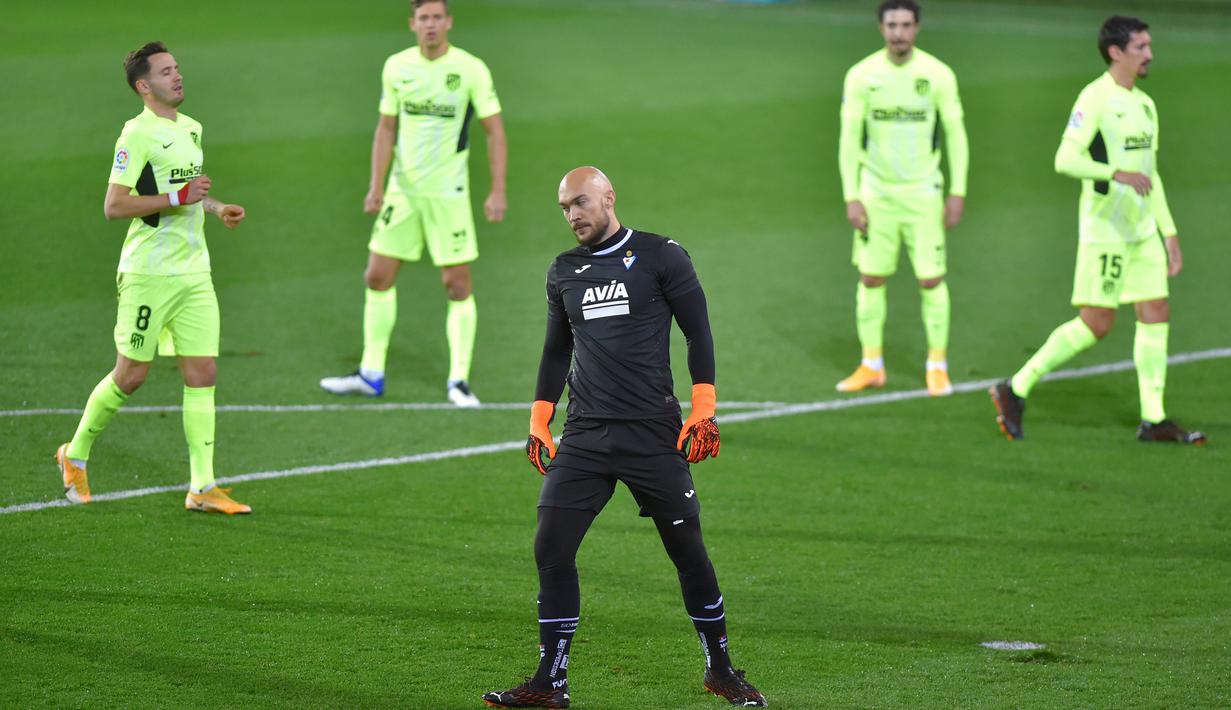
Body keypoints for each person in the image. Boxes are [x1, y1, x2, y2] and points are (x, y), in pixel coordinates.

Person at [481, 168, 766, 709]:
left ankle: (721, 669)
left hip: (652, 432)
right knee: (551, 545)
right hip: (586, 433)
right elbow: (554, 351)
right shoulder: (563, 271)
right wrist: (540, 419)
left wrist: (703, 408)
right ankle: (550, 682)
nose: (573, 215)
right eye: (564, 207)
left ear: (609, 198)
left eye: (581, 202)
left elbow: (698, 331)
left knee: (688, 553)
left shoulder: (662, 256)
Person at [54, 41, 251, 514]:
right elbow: (115, 206)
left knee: (203, 372)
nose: (178, 76)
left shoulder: (192, 129)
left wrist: (215, 205)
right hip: (148, 273)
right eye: (166, 71)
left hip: (194, 272)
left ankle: (202, 487)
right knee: (132, 375)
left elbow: (185, 192)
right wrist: (181, 198)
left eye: (178, 68)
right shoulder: (135, 135)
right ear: (144, 86)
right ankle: (74, 454)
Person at [990, 16, 1206, 445]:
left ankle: (1154, 419)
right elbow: (1065, 159)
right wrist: (1115, 173)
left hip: (1142, 230)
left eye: (1149, 45)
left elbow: (1151, 173)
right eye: (1141, 47)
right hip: (1105, 230)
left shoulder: (1145, 104)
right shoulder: (1095, 98)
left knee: (1156, 311)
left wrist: (1169, 231)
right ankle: (1014, 388)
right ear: (1116, 52)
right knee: (1096, 323)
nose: (1150, 54)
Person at [320, 0, 507, 407]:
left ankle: (459, 380)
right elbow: (386, 128)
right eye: (424, 19)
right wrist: (376, 185)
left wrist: (497, 189)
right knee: (377, 276)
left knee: (456, 284)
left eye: (438, 17)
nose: (431, 25)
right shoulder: (397, 67)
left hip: (449, 194)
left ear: (448, 22)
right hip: (402, 192)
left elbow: (494, 130)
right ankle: (371, 373)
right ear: (413, 24)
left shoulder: (470, 69)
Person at [836, 0, 968, 397]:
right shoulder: (862, 75)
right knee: (871, 277)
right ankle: (871, 364)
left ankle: (937, 365)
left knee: (931, 279)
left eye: (906, 25)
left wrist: (957, 191)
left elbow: (956, 135)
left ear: (917, 28)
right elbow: (847, 139)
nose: (899, 32)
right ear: (880, 28)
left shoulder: (938, 74)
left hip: (924, 193)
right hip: (876, 193)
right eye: (892, 24)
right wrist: (852, 195)